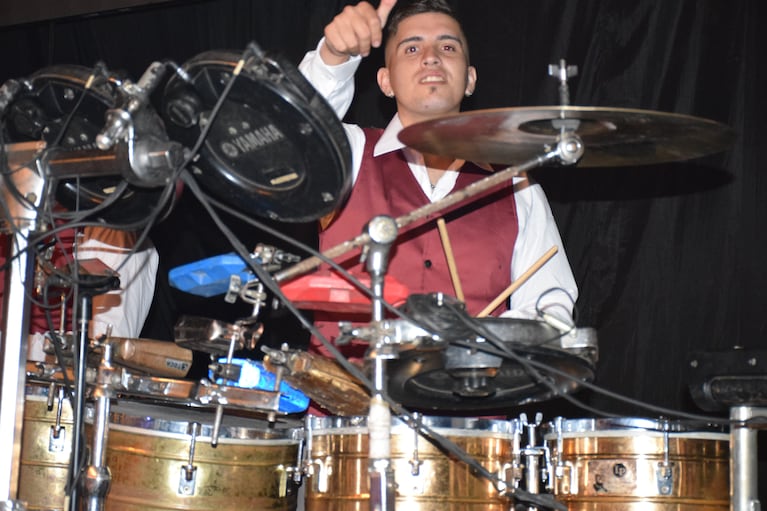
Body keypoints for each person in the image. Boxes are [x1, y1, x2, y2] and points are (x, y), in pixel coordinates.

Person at [297, 0, 578, 363]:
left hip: (470, 411)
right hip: (347, 412)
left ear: (470, 78)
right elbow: (291, 134)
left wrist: (481, 343)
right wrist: (333, 57)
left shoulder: (516, 187)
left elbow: (552, 312)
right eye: (411, 48)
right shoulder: (347, 154)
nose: (431, 57)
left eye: (447, 47)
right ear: (385, 81)